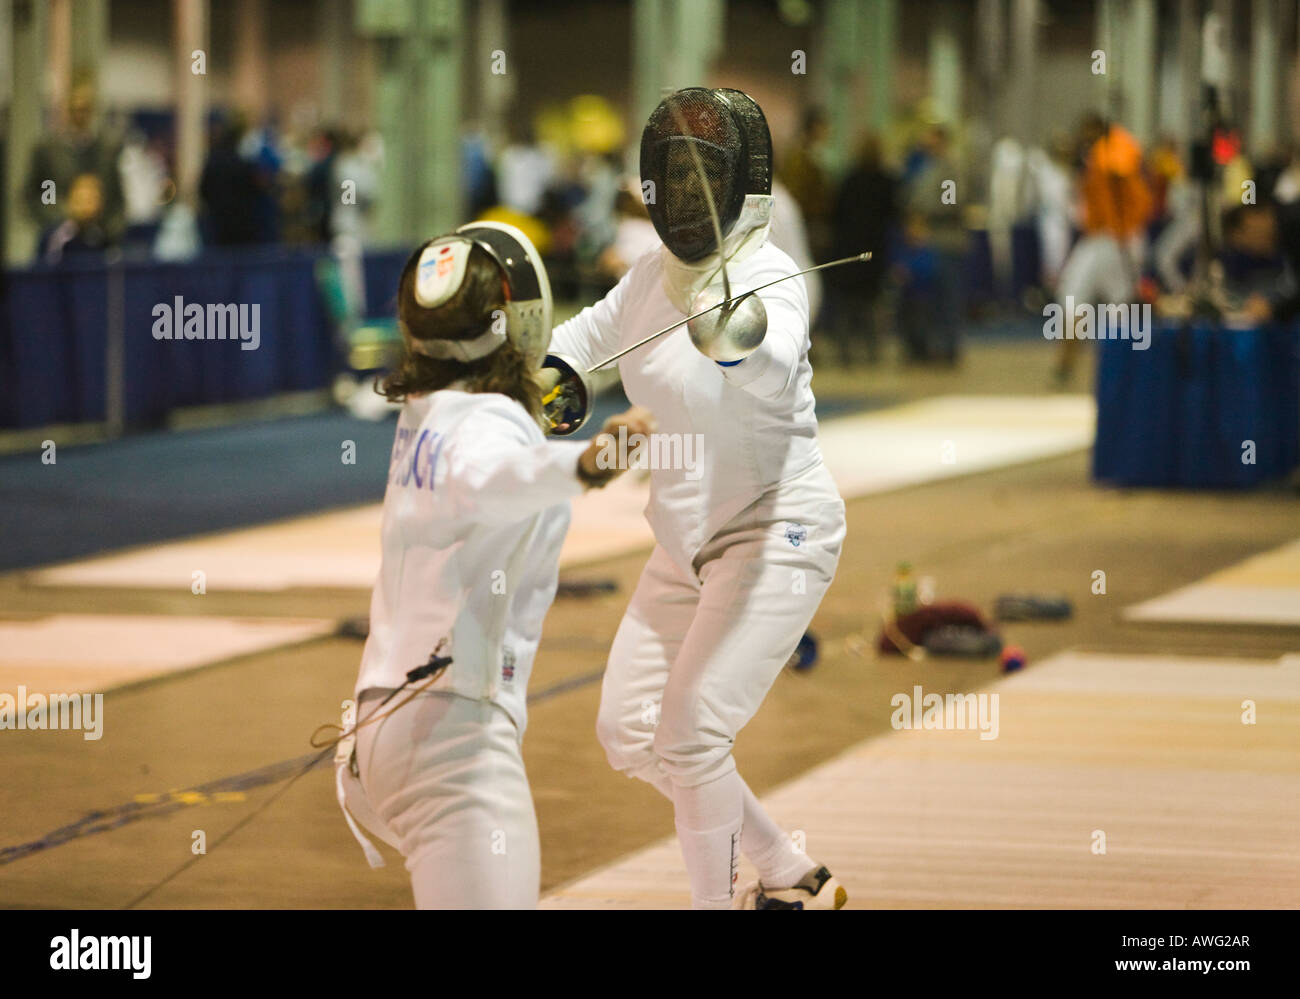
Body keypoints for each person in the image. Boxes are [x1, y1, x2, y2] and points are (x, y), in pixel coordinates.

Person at [548, 87, 848, 910]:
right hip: (686, 547)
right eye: (670, 176)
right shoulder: (651, 276)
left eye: (697, 177)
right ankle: (781, 862)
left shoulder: (767, 273)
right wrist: (548, 375)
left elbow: (777, 356)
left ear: (737, 184)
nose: (681, 194)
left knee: (689, 734)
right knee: (632, 731)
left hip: (778, 530)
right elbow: (579, 341)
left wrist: (733, 334)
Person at [338, 221, 653, 908]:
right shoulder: (486, 427)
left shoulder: (426, 412)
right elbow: (495, 475)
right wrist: (593, 460)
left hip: (384, 722)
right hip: (451, 743)